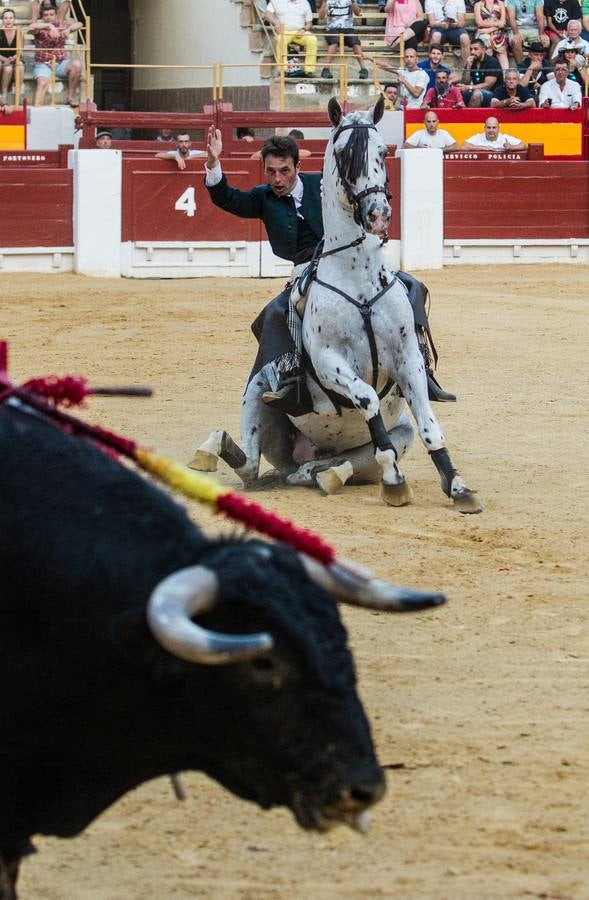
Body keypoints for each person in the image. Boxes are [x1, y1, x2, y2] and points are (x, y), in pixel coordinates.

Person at [204, 125, 455, 413]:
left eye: (284, 170)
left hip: (350, 260)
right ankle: (292, 376)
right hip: (304, 268)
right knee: (277, 312)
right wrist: (213, 162)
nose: (277, 178)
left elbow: (359, 198)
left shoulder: (322, 184)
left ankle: (422, 366)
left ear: (298, 165)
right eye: (271, 171)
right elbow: (226, 198)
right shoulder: (263, 197)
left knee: (410, 287)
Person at [28, 4, 83, 107]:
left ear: (55, 15)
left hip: (60, 63)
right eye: (46, 15)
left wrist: (69, 30)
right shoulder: (40, 27)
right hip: (43, 64)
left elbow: (80, 23)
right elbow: (31, 26)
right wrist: (49, 26)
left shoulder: (61, 25)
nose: (48, 17)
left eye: (51, 14)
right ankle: (37, 111)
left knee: (77, 64)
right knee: (42, 83)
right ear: (43, 17)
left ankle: (70, 97)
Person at [263, 0, 318, 77]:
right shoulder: (276, 1)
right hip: (284, 31)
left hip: (300, 31)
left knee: (312, 39)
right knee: (280, 39)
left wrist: (304, 29)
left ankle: (309, 70)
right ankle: (283, 70)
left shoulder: (304, 2)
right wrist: (276, 22)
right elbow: (267, 14)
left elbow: (309, 23)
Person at [317, 0, 369, 79]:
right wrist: (324, 3)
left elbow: (358, 13)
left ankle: (363, 69)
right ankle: (326, 69)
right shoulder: (329, 1)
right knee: (334, 42)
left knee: (355, 42)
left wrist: (353, 2)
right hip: (332, 28)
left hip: (348, 28)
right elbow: (321, 17)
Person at [455, 37, 503, 107]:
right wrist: (468, 67)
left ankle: (468, 117)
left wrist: (469, 87)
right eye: (471, 49)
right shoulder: (471, 62)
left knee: (477, 94)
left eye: (476, 49)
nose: (472, 52)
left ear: (483, 50)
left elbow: (487, 85)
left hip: (494, 95)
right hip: (476, 91)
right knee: (458, 93)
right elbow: (464, 83)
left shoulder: (492, 62)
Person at [425, 0, 471, 64]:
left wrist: (456, 24)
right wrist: (440, 25)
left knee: (465, 38)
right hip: (438, 28)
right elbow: (432, 23)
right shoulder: (430, 1)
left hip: (455, 29)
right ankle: (431, 66)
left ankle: (467, 69)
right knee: (436, 36)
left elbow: (462, 22)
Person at [473, 0, 510, 70]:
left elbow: (502, 23)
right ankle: (486, 75)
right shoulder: (478, 4)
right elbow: (479, 23)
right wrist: (497, 24)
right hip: (482, 33)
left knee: (501, 51)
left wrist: (489, 30)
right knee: (487, 50)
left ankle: (505, 75)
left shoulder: (500, 3)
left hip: (496, 32)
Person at [463, 115, 527, 149]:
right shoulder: (479, 137)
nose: (491, 130)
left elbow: (523, 145)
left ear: (498, 128)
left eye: (494, 127)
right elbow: (465, 144)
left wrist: (512, 147)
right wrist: (482, 148)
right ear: (484, 128)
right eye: (488, 127)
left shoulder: (504, 138)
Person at [0, 8, 22, 104]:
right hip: (1, 58)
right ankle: (3, 94)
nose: (8, 20)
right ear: (2, 20)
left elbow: (20, 50)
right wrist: (4, 59)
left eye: (11, 18)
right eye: (6, 18)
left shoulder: (19, 31)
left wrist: (15, 57)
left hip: (14, 58)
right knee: (8, 69)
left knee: (20, 66)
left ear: (14, 19)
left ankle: (19, 93)